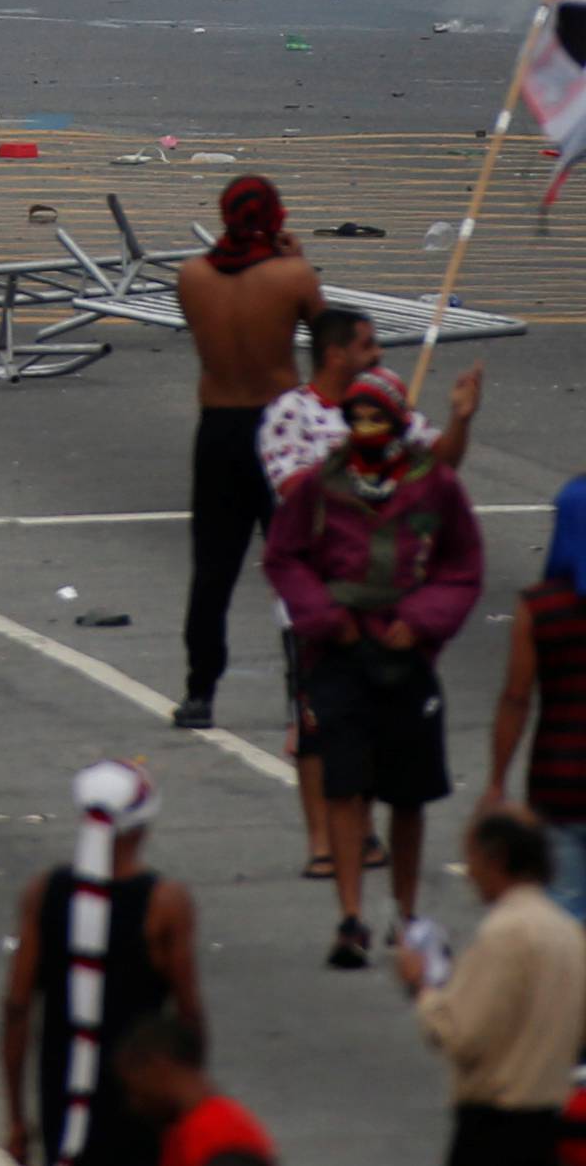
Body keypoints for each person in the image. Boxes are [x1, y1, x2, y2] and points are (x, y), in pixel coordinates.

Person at [265, 365, 485, 970]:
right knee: (344, 784)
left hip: (405, 655)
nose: (365, 429)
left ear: (396, 423)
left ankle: (406, 914)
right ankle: (351, 916)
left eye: (377, 418)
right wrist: (322, 614)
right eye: (355, 418)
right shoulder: (323, 486)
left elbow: (461, 565)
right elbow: (285, 558)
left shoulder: (431, 485)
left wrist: (422, 620)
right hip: (338, 654)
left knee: (408, 795)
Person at [172, 174, 323, 731]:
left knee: (213, 568)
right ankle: (304, 687)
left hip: (219, 428)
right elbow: (325, 337)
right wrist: (297, 263)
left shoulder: (192, 276)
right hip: (279, 427)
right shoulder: (292, 276)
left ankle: (199, 692)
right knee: (298, 564)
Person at [0, 761, 200, 1166]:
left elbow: (17, 1008)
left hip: (61, 1088)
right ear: (142, 824)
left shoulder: (45, 894)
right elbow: (189, 1014)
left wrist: (17, 1117)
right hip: (143, 1093)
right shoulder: (164, 904)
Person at [400, 808, 586, 1166]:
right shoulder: (568, 933)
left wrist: (422, 987)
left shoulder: (504, 933)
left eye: (473, 859)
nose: (470, 873)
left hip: (496, 1127)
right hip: (548, 1119)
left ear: (496, 859)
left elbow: (459, 1034)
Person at [488, 479, 586, 922]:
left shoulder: (540, 608)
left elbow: (516, 697)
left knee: (564, 916)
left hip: (559, 780)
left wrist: (496, 780)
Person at [114, 1014, 275, 1166]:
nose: (134, 1103)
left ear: (159, 1067)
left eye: (135, 1090)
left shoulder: (216, 1137)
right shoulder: (184, 1132)